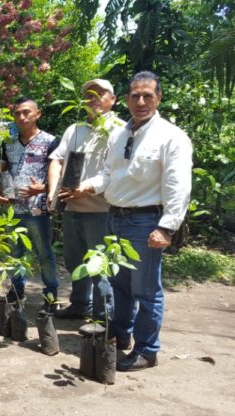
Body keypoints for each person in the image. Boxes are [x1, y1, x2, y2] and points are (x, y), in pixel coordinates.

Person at [76, 71, 192, 371]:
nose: (140, 101)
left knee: (145, 290)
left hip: (145, 222)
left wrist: (166, 228)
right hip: (114, 218)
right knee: (119, 286)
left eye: (147, 95)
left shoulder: (171, 137)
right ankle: (121, 334)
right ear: (126, 99)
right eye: (135, 95)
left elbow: (178, 186)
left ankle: (147, 350)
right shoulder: (118, 133)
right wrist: (87, 185)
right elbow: (110, 174)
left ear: (159, 98)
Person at [47, 79, 125, 321]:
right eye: (89, 94)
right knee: (75, 262)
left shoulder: (122, 130)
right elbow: (57, 160)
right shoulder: (75, 129)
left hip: (103, 212)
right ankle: (80, 305)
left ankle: (104, 319)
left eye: (100, 94)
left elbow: (120, 172)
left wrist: (87, 189)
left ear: (112, 99)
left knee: (101, 268)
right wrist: (52, 192)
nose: (93, 98)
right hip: (71, 209)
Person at [0, 97, 59, 311]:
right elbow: (3, 170)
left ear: (37, 114)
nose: (22, 117)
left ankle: (51, 294)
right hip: (13, 209)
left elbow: (58, 172)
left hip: (37, 209)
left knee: (44, 253)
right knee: (15, 252)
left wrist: (43, 189)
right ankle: (16, 290)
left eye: (26, 112)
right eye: (18, 113)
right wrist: (1, 192)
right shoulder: (8, 143)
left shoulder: (50, 141)